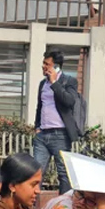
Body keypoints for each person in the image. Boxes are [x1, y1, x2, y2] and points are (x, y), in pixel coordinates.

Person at [33, 49, 80, 195]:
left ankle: (64, 208)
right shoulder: (42, 84)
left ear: (56, 67)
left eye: (47, 64)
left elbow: (69, 101)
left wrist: (54, 82)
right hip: (42, 135)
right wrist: (37, 127)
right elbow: (40, 106)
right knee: (35, 172)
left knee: (64, 174)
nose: (44, 67)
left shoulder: (69, 81)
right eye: (44, 63)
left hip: (60, 134)